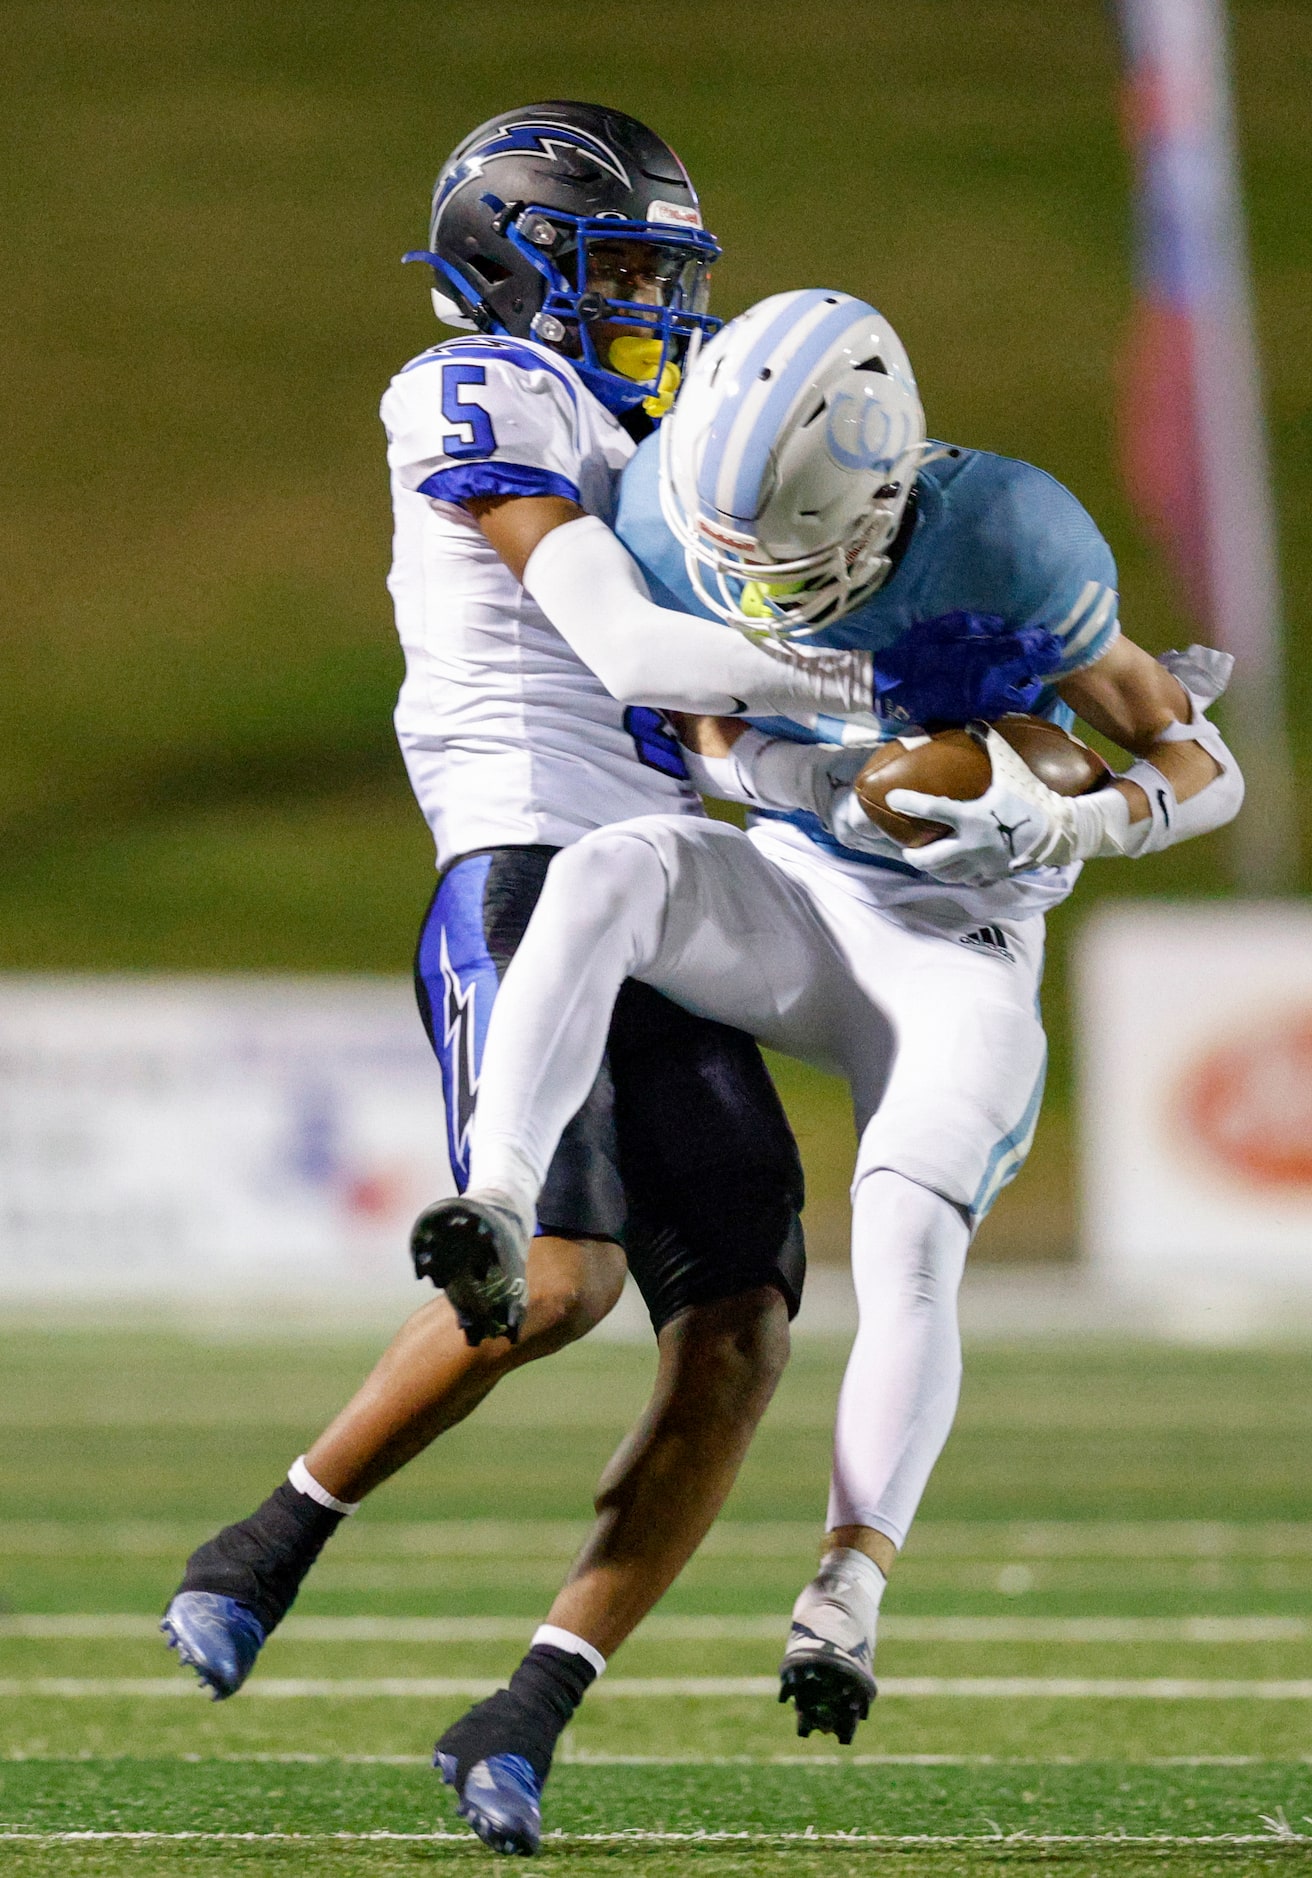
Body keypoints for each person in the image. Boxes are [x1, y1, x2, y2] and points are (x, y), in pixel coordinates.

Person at [159, 110, 880, 1855]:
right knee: (554, 1282)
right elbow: (621, 641)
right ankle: (269, 1540)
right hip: (526, 859)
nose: (646, 301)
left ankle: (531, 1706)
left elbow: (707, 718)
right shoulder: (474, 386)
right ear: (504, 256)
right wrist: (871, 680)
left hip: (671, 884)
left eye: (660, 273)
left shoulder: (664, 425)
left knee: (745, 1320)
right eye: (615, 265)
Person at [434, 288, 1245, 1785]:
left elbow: (1202, 763)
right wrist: (843, 779)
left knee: (909, 1236)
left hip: (963, 948)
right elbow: (710, 740)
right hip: (799, 894)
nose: (758, 587)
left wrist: (1066, 810)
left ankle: (847, 1587)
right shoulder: (682, 510)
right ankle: (495, 1190)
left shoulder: (1013, 537)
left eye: (794, 558)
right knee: (612, 868)